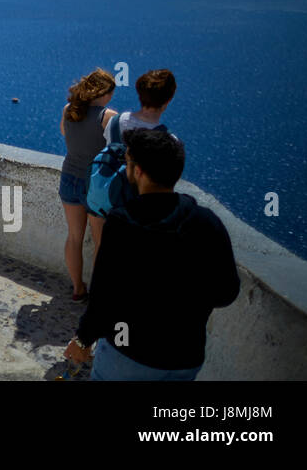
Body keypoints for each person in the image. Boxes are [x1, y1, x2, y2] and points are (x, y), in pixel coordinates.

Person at [63, 128, 239, 380]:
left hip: (128, 354)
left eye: (129, 162)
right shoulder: (206, 222)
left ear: (139, 172)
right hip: (184, 357)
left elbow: (104, 297)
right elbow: (227, 292)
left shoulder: (122, 223)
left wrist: (82, 341)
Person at [87, 68, 178, 254]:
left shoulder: (115, 122)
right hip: (135, 209)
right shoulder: (169, 141)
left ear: (140, 94)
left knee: (101, 252)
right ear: (168, 100)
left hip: (104, 198)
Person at [59, 68, 118, 301]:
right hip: (95, 183)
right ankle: (98, 294)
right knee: (100, 243)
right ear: (104, 93)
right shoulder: (108, 117)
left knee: (74, 237)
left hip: (68, 177)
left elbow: (66, 134)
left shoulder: (69, 110)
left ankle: (77, 288)